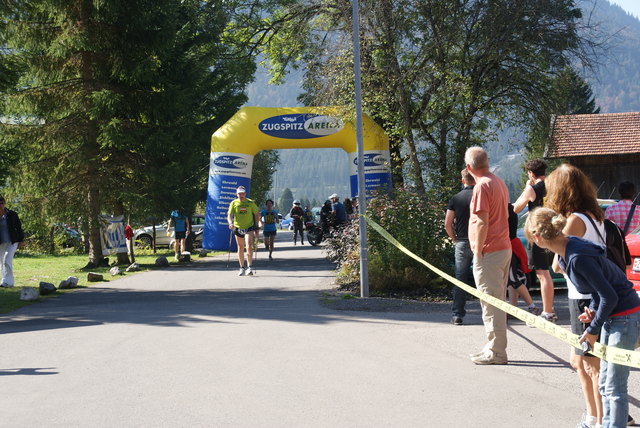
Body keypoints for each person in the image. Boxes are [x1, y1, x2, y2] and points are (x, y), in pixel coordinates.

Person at [525, 207, 640, 428]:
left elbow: (610, 295)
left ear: (537, 237)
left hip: (625, 317)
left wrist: (593, 329)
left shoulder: (577, 256)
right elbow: (601, 289)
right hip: (615, 315)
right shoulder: (567, 252)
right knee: (605, 384)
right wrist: (594, 310)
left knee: (614, 387)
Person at [545, 163, 605, 427]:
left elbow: (557, 264)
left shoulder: (574, 221)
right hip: (586, 294)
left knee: (589, 364)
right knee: (580, 361)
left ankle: (599, 418)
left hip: (582, 297)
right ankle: (594, 415)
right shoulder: (594, 216)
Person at [465, 147, 511, 365]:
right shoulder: (498, 182)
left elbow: (482, 221)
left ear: (468, 167)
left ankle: (497, 351)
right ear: (488, 162)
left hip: (490, 251)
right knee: (495, 300)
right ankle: (493, 346)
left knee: (490, 302)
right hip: (502, 247)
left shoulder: (482, 186)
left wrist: (478, 249)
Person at [513, 159, 556, 322]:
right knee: (554, 271)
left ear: (531, 173)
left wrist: (526, 188)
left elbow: (517, 208)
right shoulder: (553, 187)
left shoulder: (532, 189)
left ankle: (548, 312)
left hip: (538, 233)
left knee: (542, 273)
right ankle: (550, 308)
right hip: (554, 231)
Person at [444, 168, 476, 326]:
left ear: (463, 180)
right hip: (480, 242)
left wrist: (455, 239)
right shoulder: (480, 196)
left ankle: (457, 315)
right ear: (475, 179)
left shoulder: (456, 198)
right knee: (484, 278)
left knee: (460, 279)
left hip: (462, 242)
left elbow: (447, 224)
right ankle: (491, 313)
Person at [506, 203, 539, 315]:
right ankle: (513, 308)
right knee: (511, 280)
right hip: (512, 245)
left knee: (513, 279)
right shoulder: (510, 208)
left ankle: (532, 306)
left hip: (509, 247)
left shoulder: (505, 209)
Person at [227, 186, 260, 276]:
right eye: (239, 194)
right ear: (236, 194)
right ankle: (242, 268)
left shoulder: (250, 202)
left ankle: (250, 267)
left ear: (245, 194)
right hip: (238, 227)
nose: (241, 195)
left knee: (249, 246)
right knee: (240, 247)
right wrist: (230, 223)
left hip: (249, 227)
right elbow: (229, 215)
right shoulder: (233, 203)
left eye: (242, 193)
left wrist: (256, 225)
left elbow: (257, 214)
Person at [0, 196, 25, 288]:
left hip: (12, 241)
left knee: (7, 260)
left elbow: (18, 227)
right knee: (1, 262)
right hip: (1, 242)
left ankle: (9, 282)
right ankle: (4, 281)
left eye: (2, 203)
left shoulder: (12, 214)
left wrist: (21, 240)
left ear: (4, 204)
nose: (0, 205)